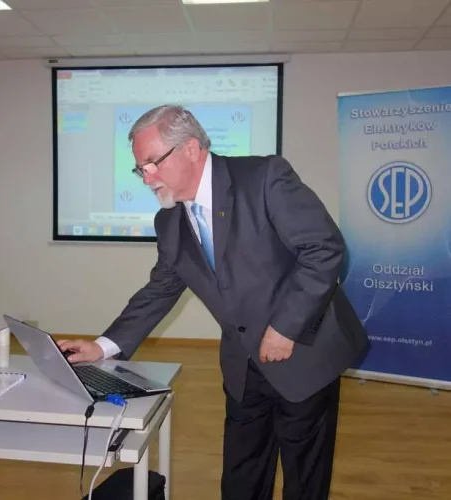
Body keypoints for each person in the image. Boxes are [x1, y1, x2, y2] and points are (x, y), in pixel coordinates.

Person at [58, 104, 369, 500]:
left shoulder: (263, 178)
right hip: (243, 366)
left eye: (152, 164)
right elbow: (161, 289)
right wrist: (103, 346)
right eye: (140, 169)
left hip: (304, 353)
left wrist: (285, 327)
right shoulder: (169, 221)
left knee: (304, 481)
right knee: (241, 480)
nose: (146, 177)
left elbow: (323, 249)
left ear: (191, 148)